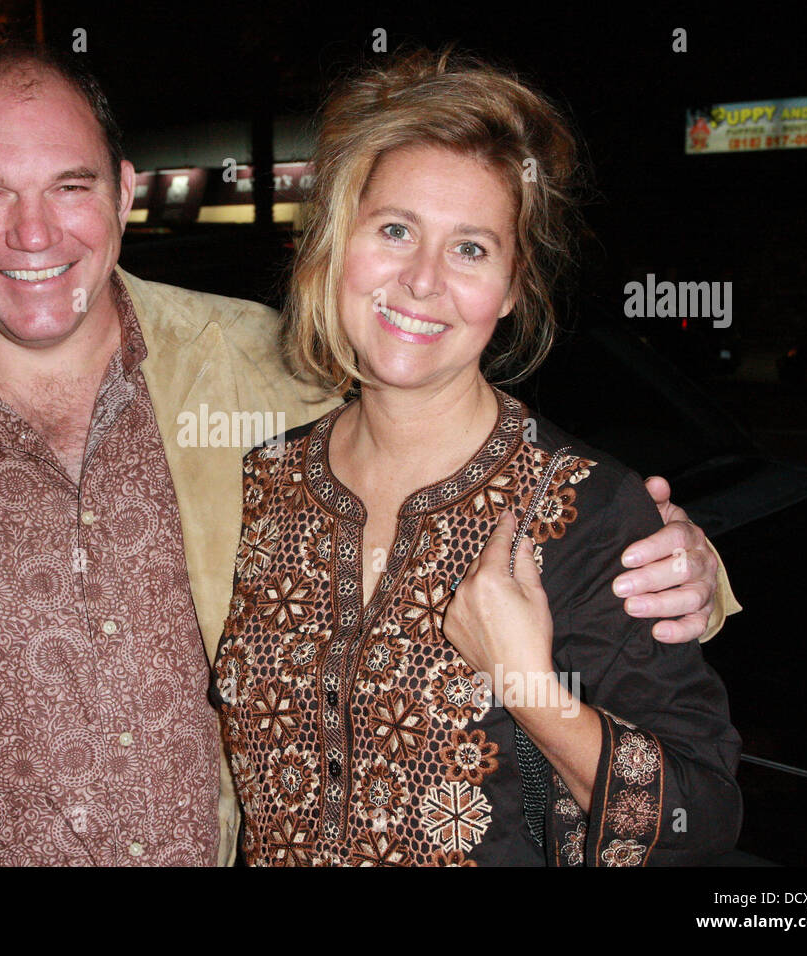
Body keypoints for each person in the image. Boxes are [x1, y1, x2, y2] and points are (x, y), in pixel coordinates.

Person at [0, 38, 738, 866]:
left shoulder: (257, 372)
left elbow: (482, 444)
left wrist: (687, 561)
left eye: (70, 185)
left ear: (123, 192)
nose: (32, 230)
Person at [213, 48, 742, 865]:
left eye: (471, 249)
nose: (423, 280)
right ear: (334, 245)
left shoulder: (585, 509)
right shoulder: (258, 483)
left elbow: (696, 818)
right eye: (395, 230)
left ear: (513, 286)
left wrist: (530, 690)